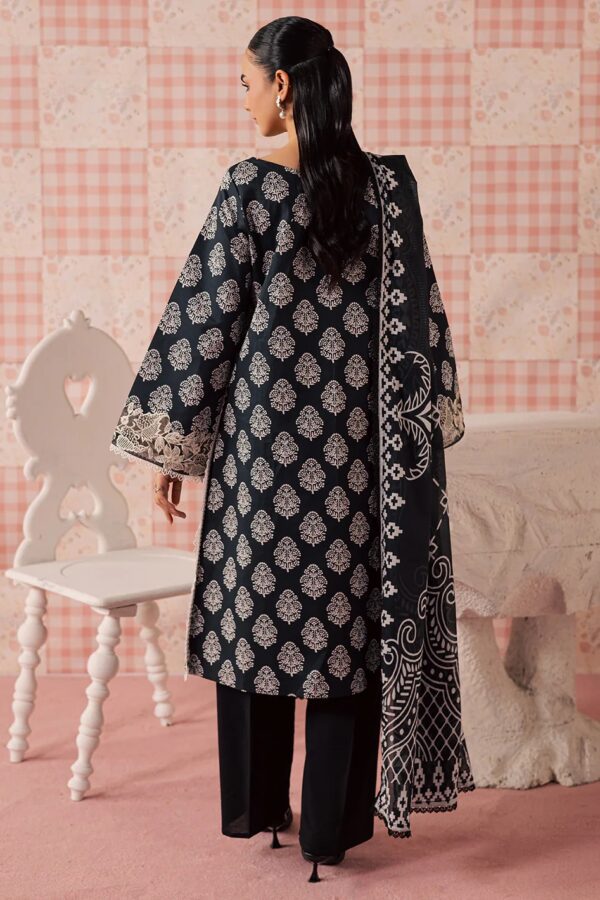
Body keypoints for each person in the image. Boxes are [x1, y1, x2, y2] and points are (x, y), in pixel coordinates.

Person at [109, 15, 475, 884]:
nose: (241, 101)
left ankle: (259, 808)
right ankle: (331, 833)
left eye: (245, 83)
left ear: (282, 85)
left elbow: (206, 323)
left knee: (256, 622)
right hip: (361, 464)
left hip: (264, 463)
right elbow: (424, 320)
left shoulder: (250, 187)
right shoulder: (387, 191)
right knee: (346, 635)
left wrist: (174, 450)